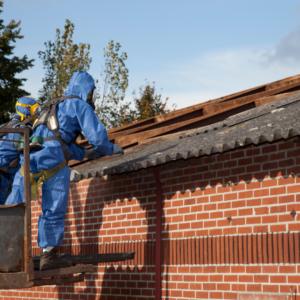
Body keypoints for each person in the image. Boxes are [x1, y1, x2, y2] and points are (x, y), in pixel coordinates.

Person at [6, 71, 124, 270]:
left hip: (30, 159)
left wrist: (84, 154)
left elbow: (55, 139)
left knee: (14, 206)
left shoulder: (52, 106)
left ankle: (5, 251)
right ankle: (48, 254)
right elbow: (97, 138)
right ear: (87, 91)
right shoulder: (79, 105)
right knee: (53, 206)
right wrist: (110, 149)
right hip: (54, 162)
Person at [0, 97, 40, 205]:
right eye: (35, 110)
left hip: (5, 175)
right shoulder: (22, 130)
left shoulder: (5, 126)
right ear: (26, 110)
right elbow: (29, 158)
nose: (37, 113)